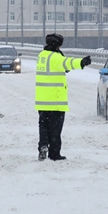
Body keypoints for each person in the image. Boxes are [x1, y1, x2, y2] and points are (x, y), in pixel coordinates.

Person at [35, 33, 91, 161]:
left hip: (42, 100)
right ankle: (54, 154)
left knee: (43, 126)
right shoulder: (56, 57)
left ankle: (43, 145)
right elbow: (68, 63)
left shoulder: (41, 56)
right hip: (56, 100)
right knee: (55, 129)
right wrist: (82, 62)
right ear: (59, 45)